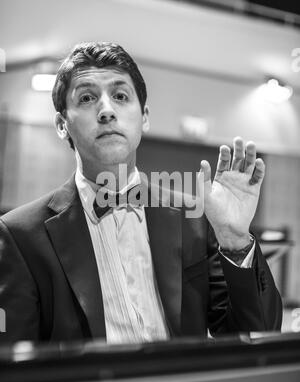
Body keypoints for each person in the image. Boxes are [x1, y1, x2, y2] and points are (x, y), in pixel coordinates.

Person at [0, 42, 282, 343]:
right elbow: (15, 367)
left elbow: (256, 335)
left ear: (144, 117)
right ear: (62, 124)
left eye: (120, 96)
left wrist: (235, 240)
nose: (106, 110)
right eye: (86, 97)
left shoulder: (193, 218)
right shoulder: (20, 236)